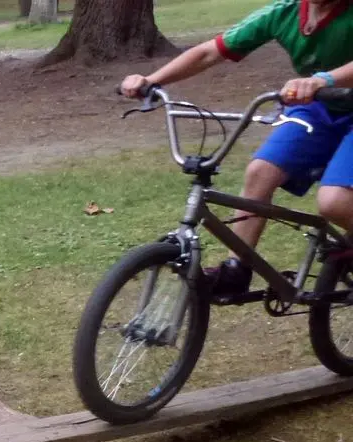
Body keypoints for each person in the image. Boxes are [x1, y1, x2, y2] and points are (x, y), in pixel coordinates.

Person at [120, 0, 353, 299]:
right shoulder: (284, 14)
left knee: (333, 202)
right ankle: (237, 269)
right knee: (260, 172)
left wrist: (323, 79)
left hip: (326, 96)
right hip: (319, 108)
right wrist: (152, 80)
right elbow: (209, 52)